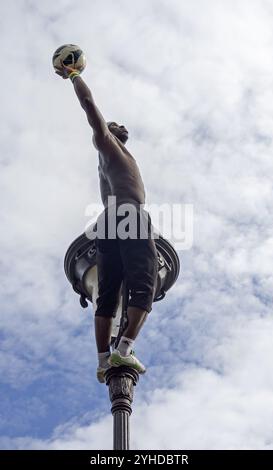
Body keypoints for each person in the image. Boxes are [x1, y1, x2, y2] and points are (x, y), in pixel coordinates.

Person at [56, 61, 158, 383]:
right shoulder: (108, 146)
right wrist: (74, 76)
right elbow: (90, 109)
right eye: (113, 125)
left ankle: (103, 362)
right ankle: (124, 349)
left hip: (109, 221)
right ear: (108, 133)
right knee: (146, 283)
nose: (119, 126)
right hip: (128, 213)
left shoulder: (111, 162)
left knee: (109, 293)